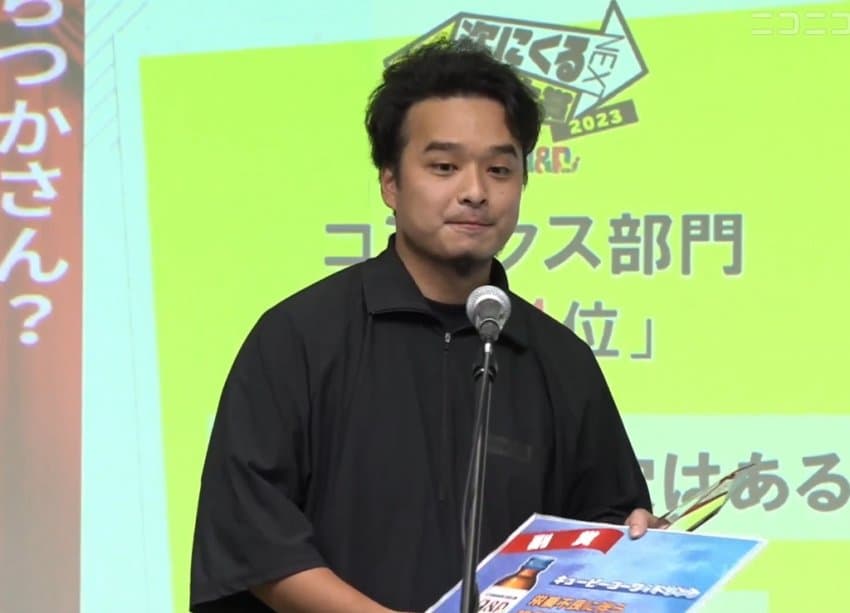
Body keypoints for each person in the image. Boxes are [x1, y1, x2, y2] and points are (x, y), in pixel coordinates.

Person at [189, 38, 663, 613]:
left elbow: (604, 526)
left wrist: (633, 549)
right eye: (444, 167)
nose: (475, 192)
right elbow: (255, 545)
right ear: (390, 182)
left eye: (499, 169)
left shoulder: (560, 360)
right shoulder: (299, 338)